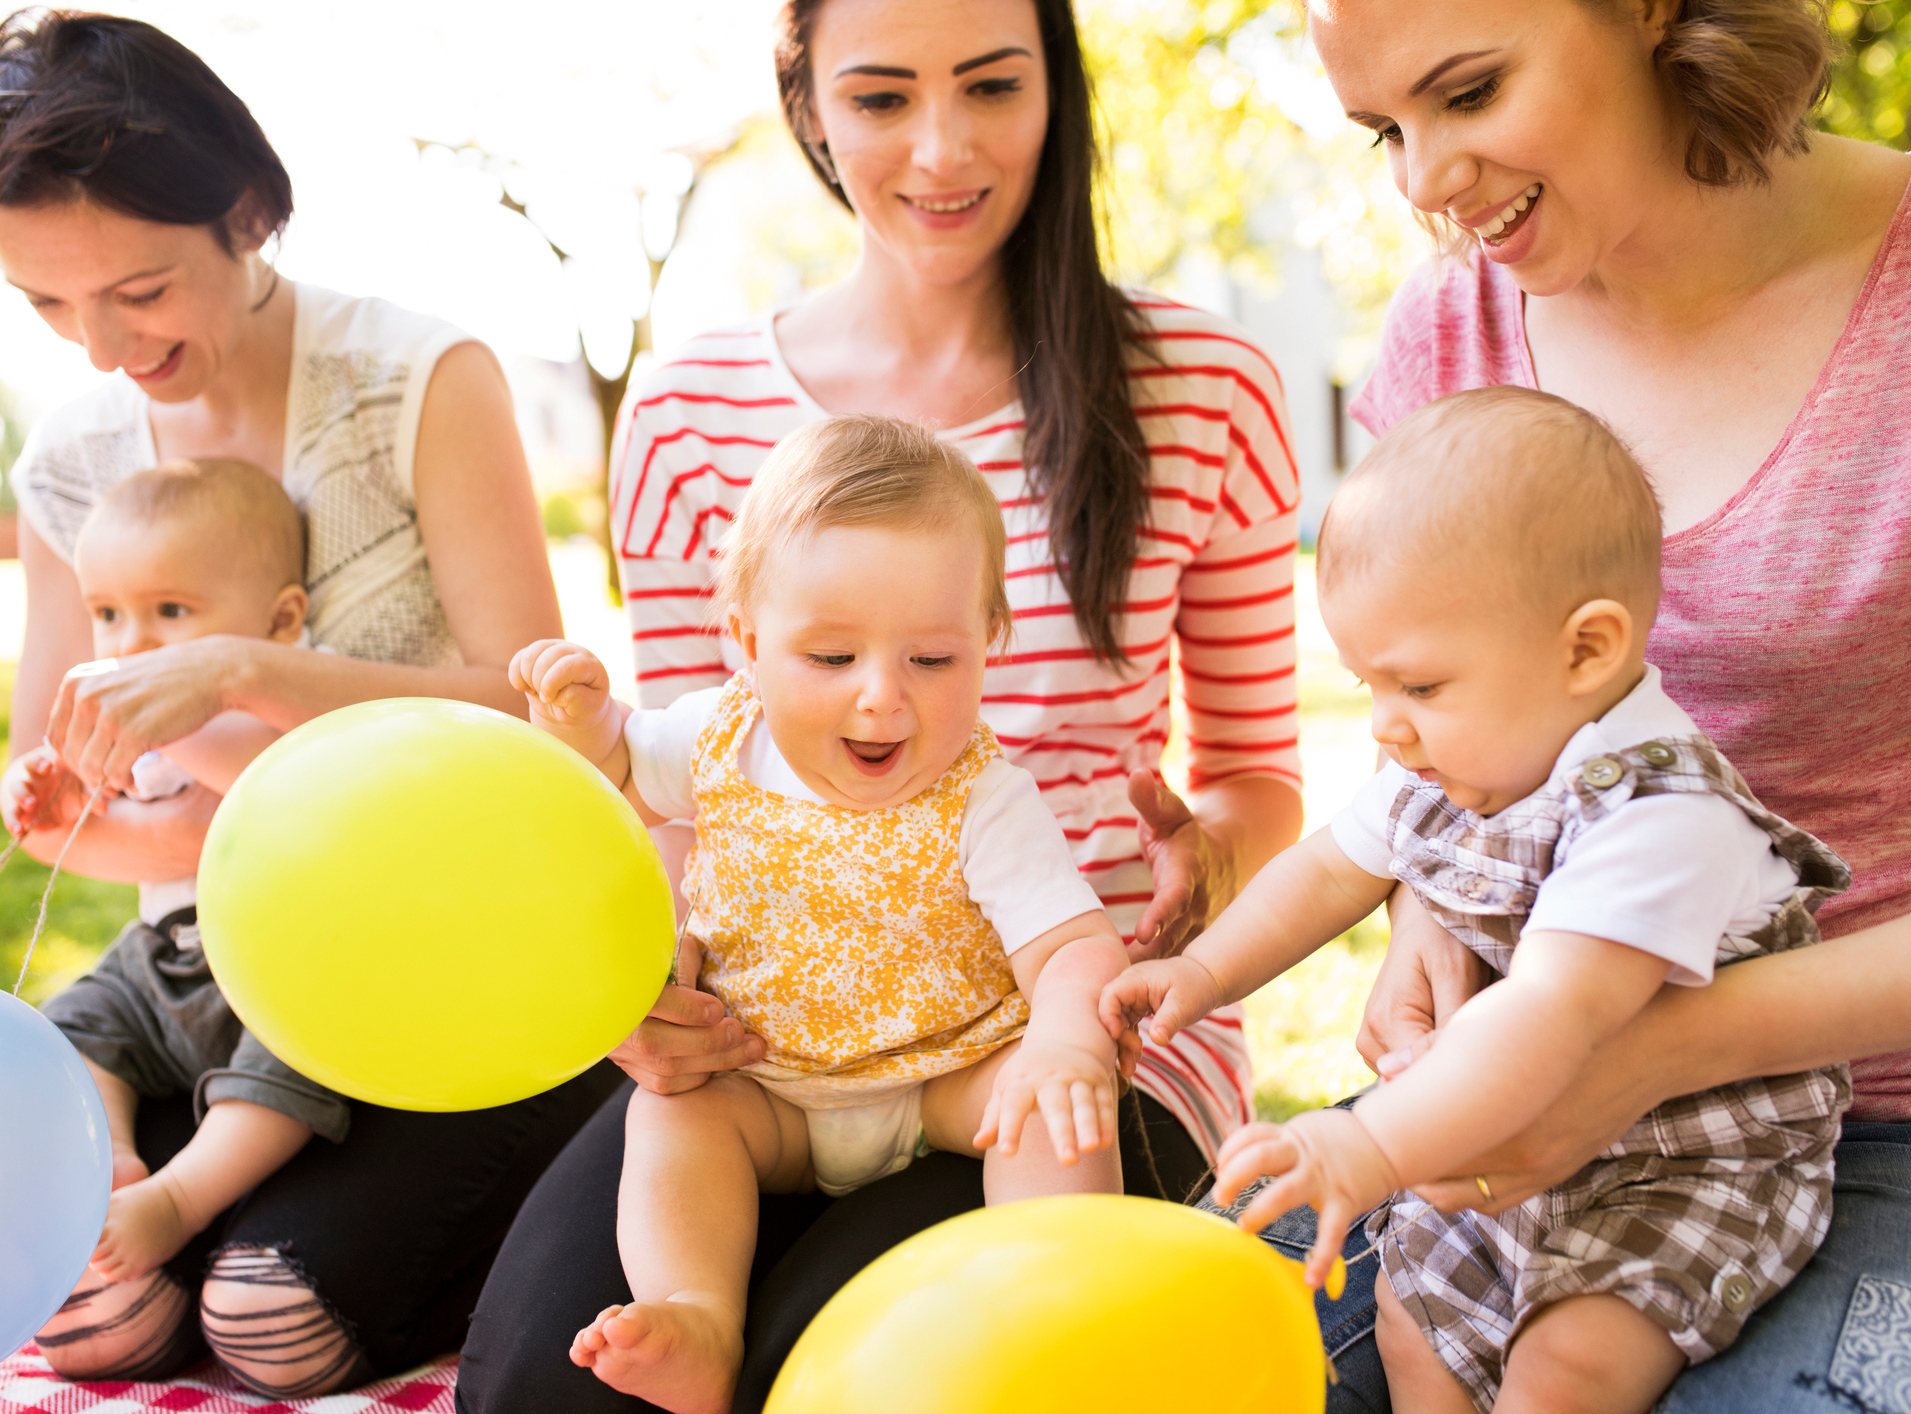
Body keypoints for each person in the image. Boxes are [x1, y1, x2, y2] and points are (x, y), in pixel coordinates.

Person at [456, 1, 1304, 1410]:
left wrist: (1199, 865)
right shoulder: (685, 412)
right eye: (879, 98)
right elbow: (671, 794)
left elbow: (1257, 780)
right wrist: (636, 995)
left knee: (860, 1371)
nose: (940, 148)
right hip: (770, 1040)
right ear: (804, 102)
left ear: (1056, 87)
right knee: (553, 1389)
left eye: (989, 86)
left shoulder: (1200, 384)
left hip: (1066, 1038)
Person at [1271, 0, 1911, 1407]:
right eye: (1387, 129)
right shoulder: (1454, 323)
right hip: (1513, 1107)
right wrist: (1425, 918)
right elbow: (1441, 717)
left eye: (1470, 91)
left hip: (1866, 1121)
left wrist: (1658, 1045)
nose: (1423, 182)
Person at [0, 12, 617, 1396]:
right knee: (85, 1315)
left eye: (140, 288)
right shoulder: (74, 458)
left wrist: (247, 676)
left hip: (454, 983)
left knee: (268, 1310)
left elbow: (542, 735)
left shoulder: (415, 381)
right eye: (46, 305)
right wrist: (65, 808)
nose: (102, 347)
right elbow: (82, 798)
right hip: (208, 989)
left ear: (243, 211)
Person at [1112, 388, 1851, 1414]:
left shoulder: (1655, 810)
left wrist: (1369, 1146)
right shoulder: (1471, 760)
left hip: (1679, 1165)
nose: (1386, 727)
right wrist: (1201, 971)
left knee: (1569, 1362)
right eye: (1367, 685)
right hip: (1510, 1130)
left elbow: (1552, 1011)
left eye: (1417, 687)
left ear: (1586, 650)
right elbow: (1329, 869)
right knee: (1417, 1321)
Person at [516, 416, 1129, 1412]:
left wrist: (1064, 1044)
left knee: (1049, 1113)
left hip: (947, 1080)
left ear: (989, 644)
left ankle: (1052, 1292)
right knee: (674, 1122)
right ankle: (695, 1310)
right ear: (751, 646)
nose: (883, 699)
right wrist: (578, 723)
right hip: (765, 1087)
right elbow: (611, 773)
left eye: (932, 659)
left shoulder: (981, 795)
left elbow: (1072, 947)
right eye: (832, 657)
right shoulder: (717, 739)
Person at [7, 459, 350, 1287]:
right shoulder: (144, 714)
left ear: (280, 621)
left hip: (278, 963)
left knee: (288, 1067)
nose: (132, 645)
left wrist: (160, 723)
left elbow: (275, 776)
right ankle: (112, 1157)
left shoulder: (286, 696)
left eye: (170, 611)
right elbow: (97, 806)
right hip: (161, 957)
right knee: (76, 1021)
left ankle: (180, 1199)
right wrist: (51, 788)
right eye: (108, 615)